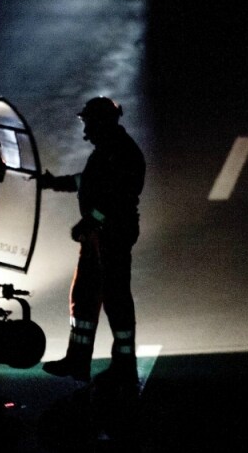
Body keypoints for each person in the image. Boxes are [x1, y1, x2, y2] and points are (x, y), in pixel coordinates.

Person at [39, 96, 145, 386]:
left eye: (88, 123)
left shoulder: (122, 153)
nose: (86, 130)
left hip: (113, 236)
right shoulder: (107, 152)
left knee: (115, 298)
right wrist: (53, 183)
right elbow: (86, 182)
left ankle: (124, 367)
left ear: (101, 122)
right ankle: (78, 360)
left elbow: (118, 197)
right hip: (98, 237)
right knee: (84, 298)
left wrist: (91, 220)